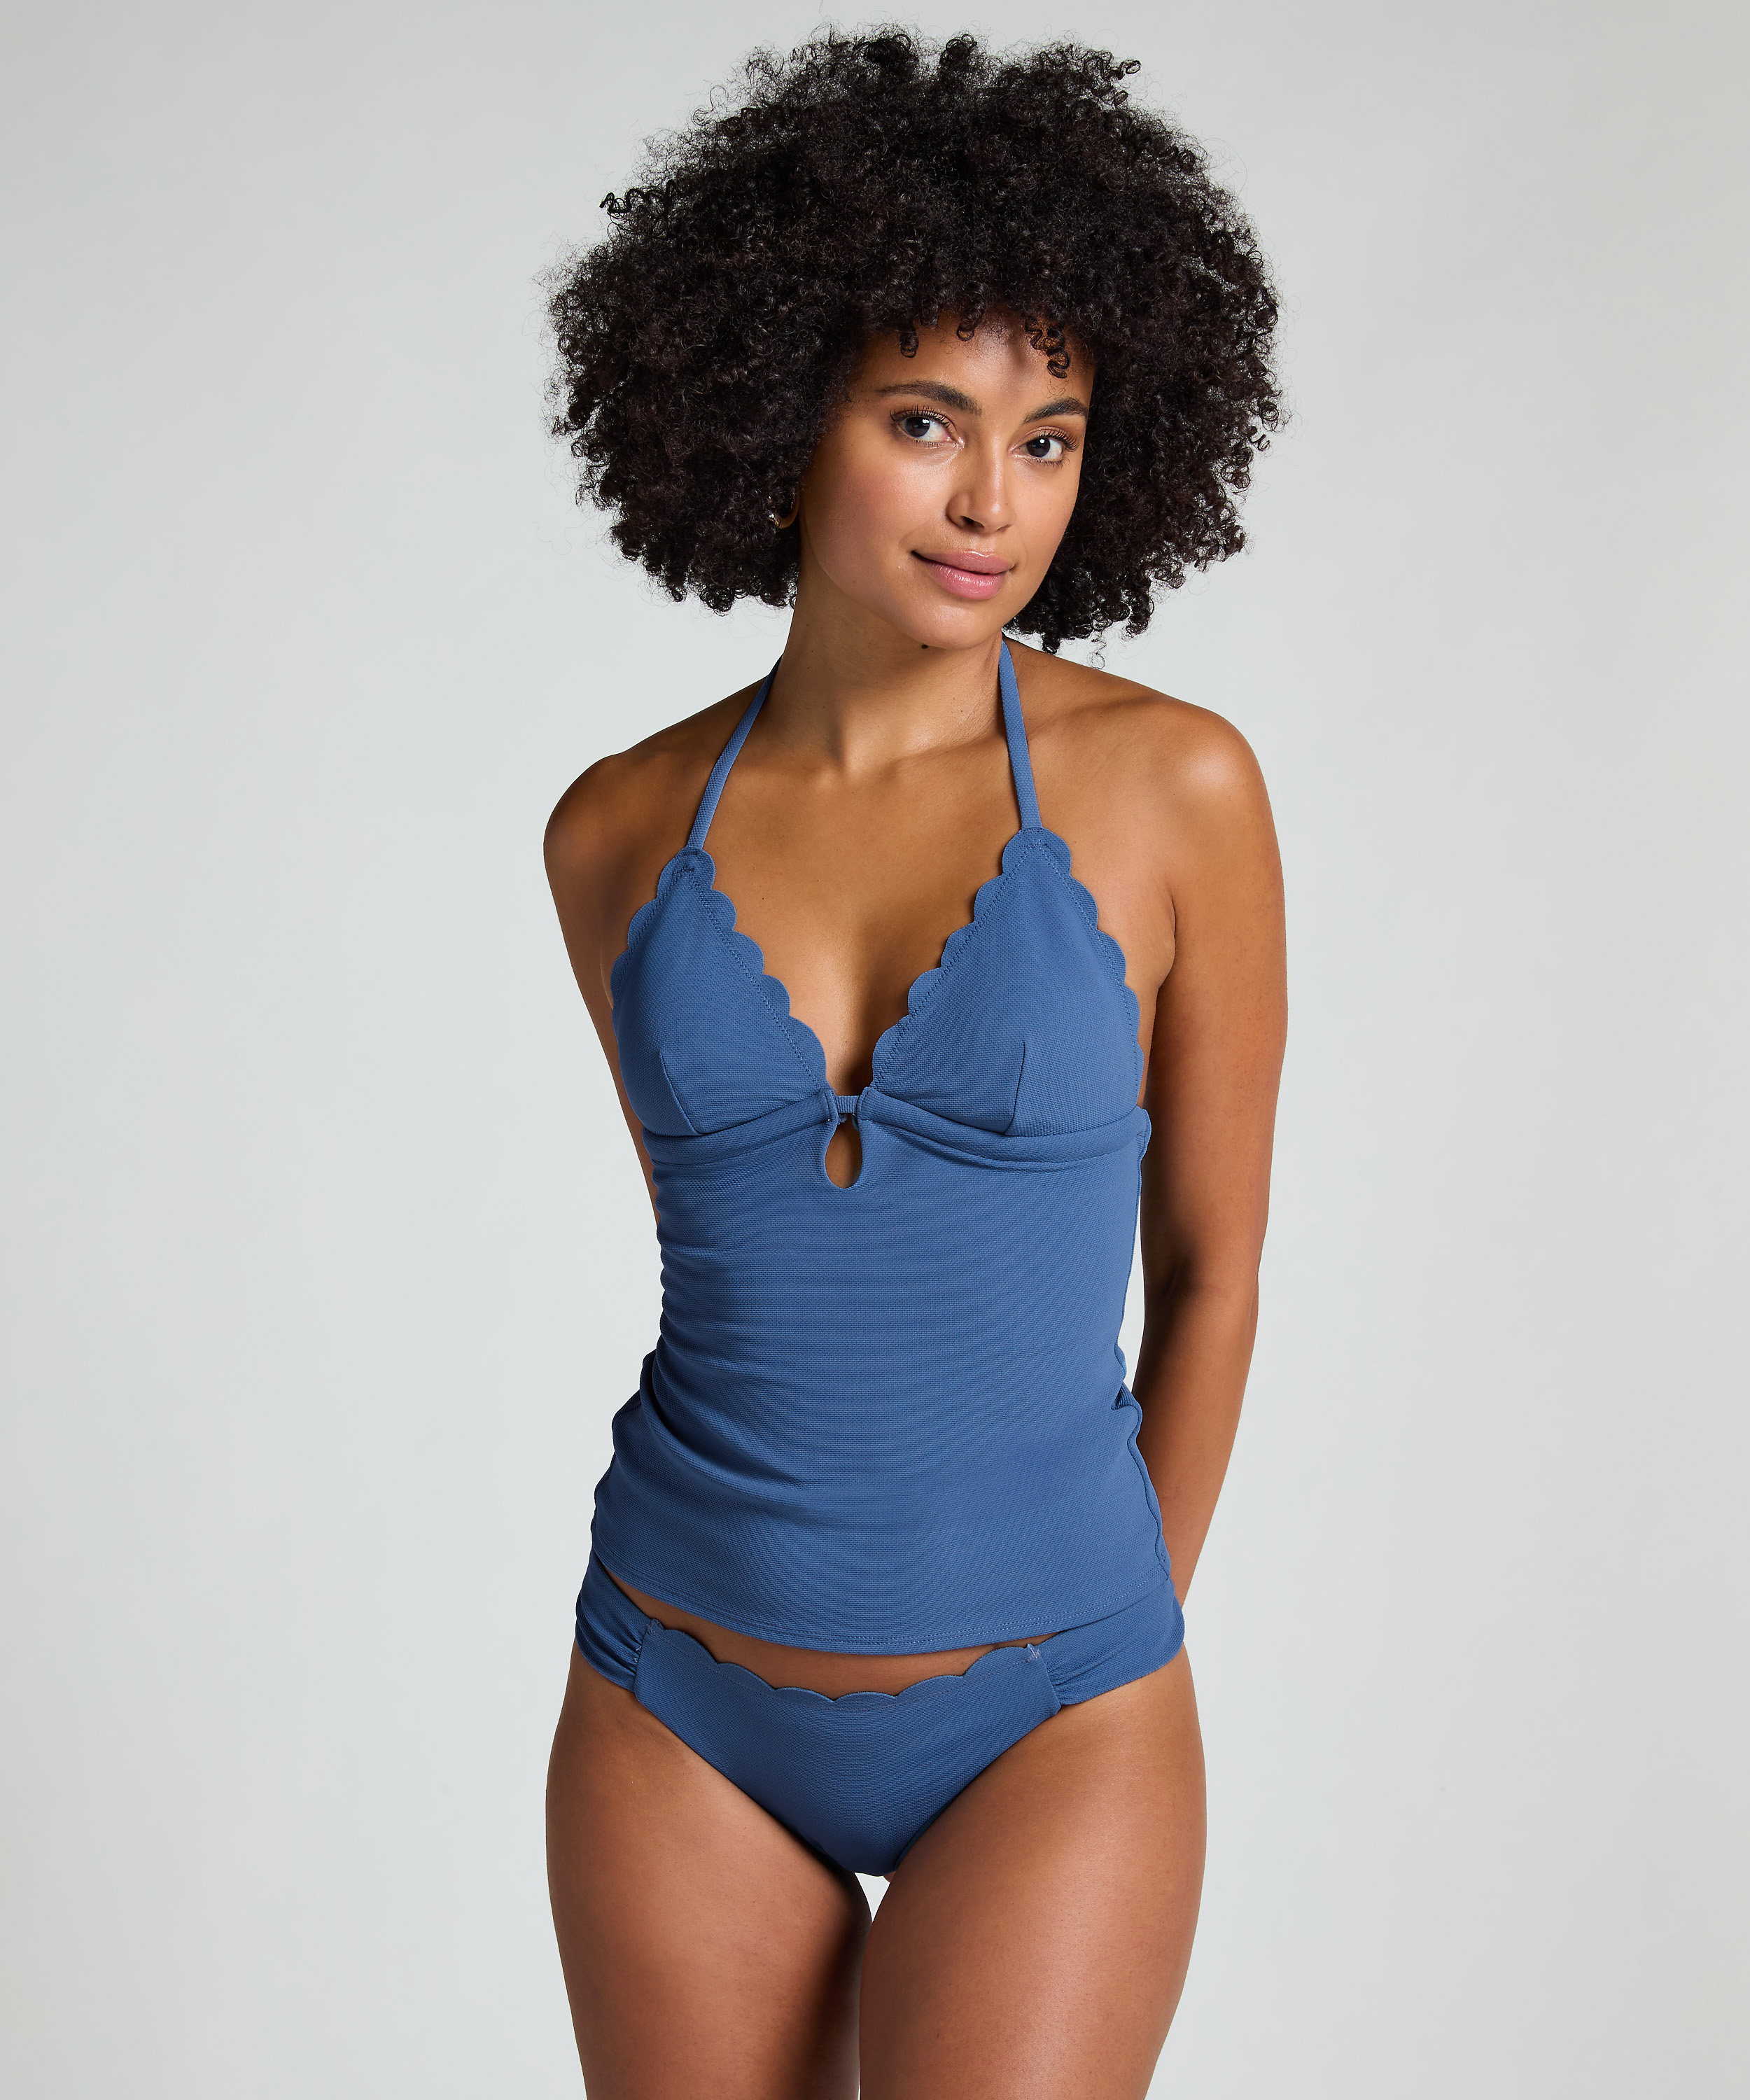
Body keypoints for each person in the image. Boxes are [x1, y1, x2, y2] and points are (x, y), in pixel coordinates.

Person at [538, 29, 1286, 2098]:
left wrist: (1105, 1627)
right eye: (925, 421)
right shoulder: (615, 833)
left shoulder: (1175, 791)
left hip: (1053, 1709)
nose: (991, 502)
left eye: (1049, 438)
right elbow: (758, 1266)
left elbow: (1215, 1268)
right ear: (780, 406)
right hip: (674, 1692)